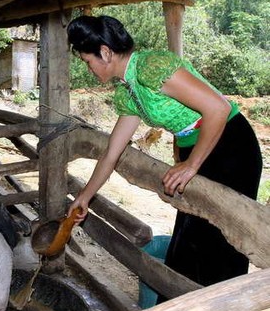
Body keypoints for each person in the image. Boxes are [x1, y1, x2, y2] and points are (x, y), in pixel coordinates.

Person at [67, 15, 262, 292]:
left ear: (106, 53)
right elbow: (112, 152)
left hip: (230, 147)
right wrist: (84, 197)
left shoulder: (152, 66)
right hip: (196, 148)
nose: (89, 69)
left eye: (88, 61)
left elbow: (217, 109)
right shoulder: (128, 91)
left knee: (220, 243)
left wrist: (191, 165)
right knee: (188, 239)